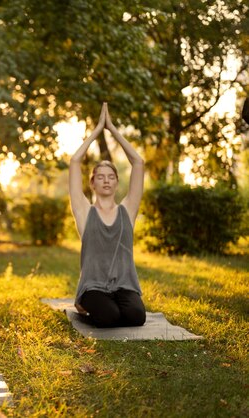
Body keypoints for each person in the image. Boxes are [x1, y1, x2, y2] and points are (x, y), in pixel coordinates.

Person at [68, 103, 146, 328]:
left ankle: (111, 304)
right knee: (109, 318)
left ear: (117, 183)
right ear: (92, 183)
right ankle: (83, 303)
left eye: (111, 176)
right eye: (100, 177)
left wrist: (112, 129)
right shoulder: (85, 212)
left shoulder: (127, 210)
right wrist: (97, 130)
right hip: (93, 287)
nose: (105, 180)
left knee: (135, 317)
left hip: (124, 285)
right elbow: (75, 161)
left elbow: (138, 162)